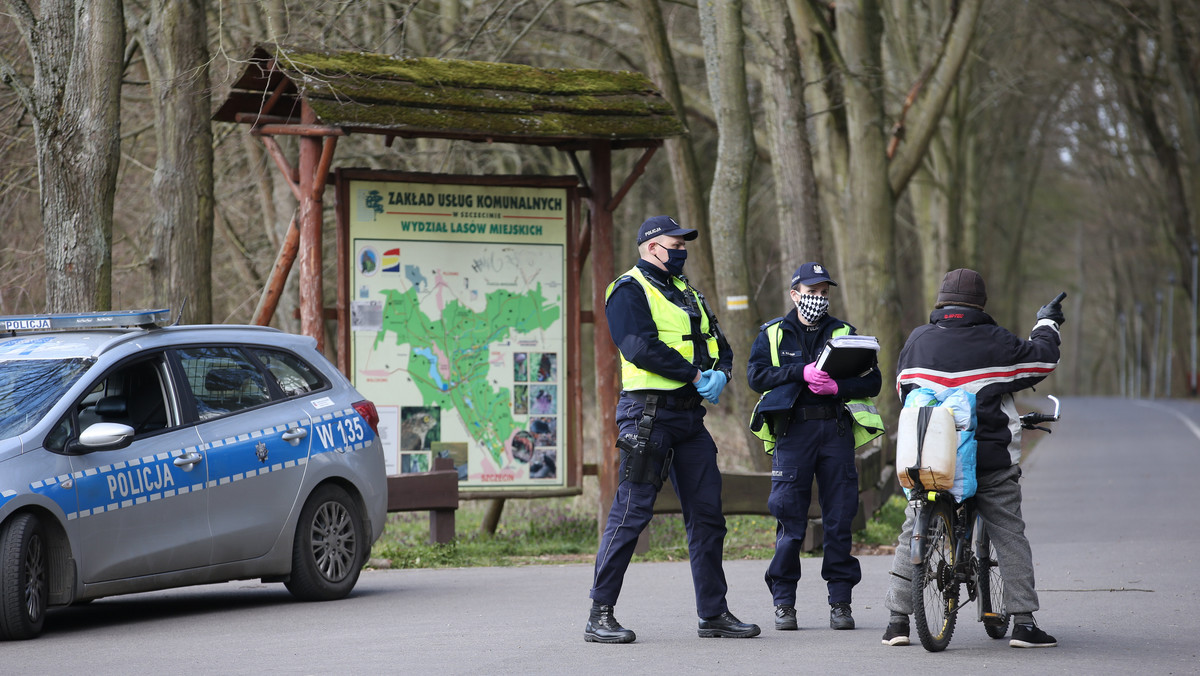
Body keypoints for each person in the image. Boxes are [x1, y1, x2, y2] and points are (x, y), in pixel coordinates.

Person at [585, 215, 760, 643]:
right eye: (673, 243)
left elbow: (719, 341)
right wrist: (696, 376)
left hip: (688, 419)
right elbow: (639, 346)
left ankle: (713, 614)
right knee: (631, 512)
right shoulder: (628, 290)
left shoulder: (687, 292)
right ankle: (599, 614)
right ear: (650, 247)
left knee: (708, 516)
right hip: (647, 416)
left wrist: (721, 372)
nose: (681, 250)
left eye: (684, 244)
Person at [883, 268, 1063, 648]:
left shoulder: (917, 340)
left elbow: (903, 388)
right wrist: (1047, 323)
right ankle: (1025, 623)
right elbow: (1042, 361)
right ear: (980, 304)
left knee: (913, 525)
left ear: (941, 302)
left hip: (930, 460)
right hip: (987, 459)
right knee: (1008, 530)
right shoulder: (996, 342)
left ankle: (897, 621)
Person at [746, 262, 883, 632]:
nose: (818, 299)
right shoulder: (773, 333)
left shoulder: (844, 333)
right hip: (792, 434)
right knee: (789, 520)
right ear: (794, 294)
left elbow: (874, 381)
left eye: (824, 292)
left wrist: (839, 389)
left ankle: (840, 602)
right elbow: (755, 376)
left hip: (835, 432)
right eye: (811, 292)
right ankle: (784, 604)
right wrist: (799, 372)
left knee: (839, 520)